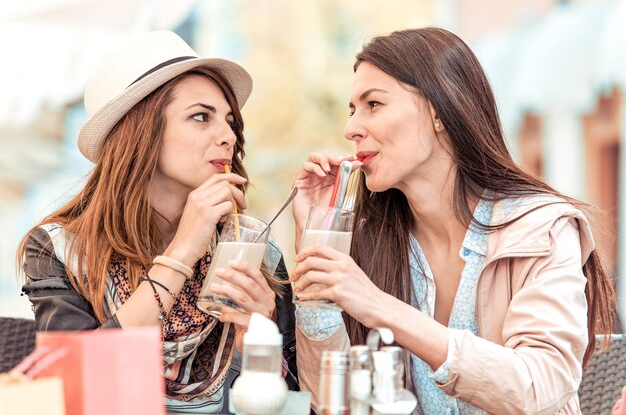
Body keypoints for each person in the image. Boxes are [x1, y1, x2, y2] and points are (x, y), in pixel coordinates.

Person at [291, 27, 617, 414]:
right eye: (352, 110)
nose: (351, 128)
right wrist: (319, 237)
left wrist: (379, 306)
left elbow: (540, 385)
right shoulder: (371, 245)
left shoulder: (540, 229)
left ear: (439, 112)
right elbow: (331, 403)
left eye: (373, 104)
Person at [18, 30, 298, 413]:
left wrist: (257, 343)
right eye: (201, 117)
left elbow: (299, 399)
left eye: (231, 121)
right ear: (140, 133)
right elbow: (75, 386)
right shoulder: (60, 248)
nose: (228, 136)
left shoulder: (256, 254)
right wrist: (182, 251)